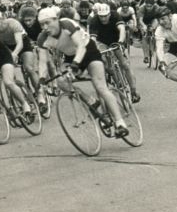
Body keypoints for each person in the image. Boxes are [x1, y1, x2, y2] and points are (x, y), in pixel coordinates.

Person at [36, 9, 129, 137]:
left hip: (89, 51)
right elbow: (42, 61)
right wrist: (41, 79)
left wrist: (75, 66)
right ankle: (90, 100)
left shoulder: (66, 24)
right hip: (70, 57)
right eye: (41, 24)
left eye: (47, 23)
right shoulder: (43, 38)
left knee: (101, 87)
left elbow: (80, 46)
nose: (45, 27)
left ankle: (120, 123)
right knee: (61, 82)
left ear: (56, 20)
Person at [0, 9, 44, 107]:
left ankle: (40, 93)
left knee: (29, 68)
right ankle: (21, 96)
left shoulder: (13, 23)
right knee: (9, 74)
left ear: (2, 19)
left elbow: (20, 44)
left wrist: (15, 54)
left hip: (23, 44)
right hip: (7, 47)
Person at [88, 3, 140, 103]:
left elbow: (122, 29)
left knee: (125, 65)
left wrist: (120, 41)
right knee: (104, 63)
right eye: (101, 16)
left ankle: (133, 91)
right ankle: (113, 76)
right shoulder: (94, 20)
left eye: (105, 16)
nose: (103, 19)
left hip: (116, 40)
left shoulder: (115, 15)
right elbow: (93, 38)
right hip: (102, 41)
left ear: (109, 14)